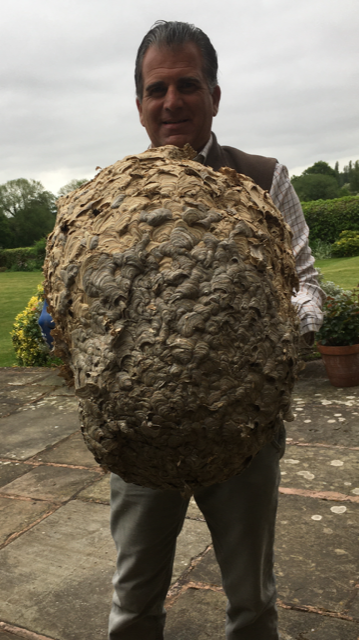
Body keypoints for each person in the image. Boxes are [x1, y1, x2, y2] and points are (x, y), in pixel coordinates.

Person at [108, 20, 324, 640]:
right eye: (156, 89)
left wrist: (264, 330)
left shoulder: (264, 177)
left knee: (253, 603)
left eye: (188, 85)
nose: (171, 102)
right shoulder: (111, 198)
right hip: (142, 442)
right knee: (132, 605)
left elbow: (307, 286)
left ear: (215, 95)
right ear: (141, 105)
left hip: (246, 433)